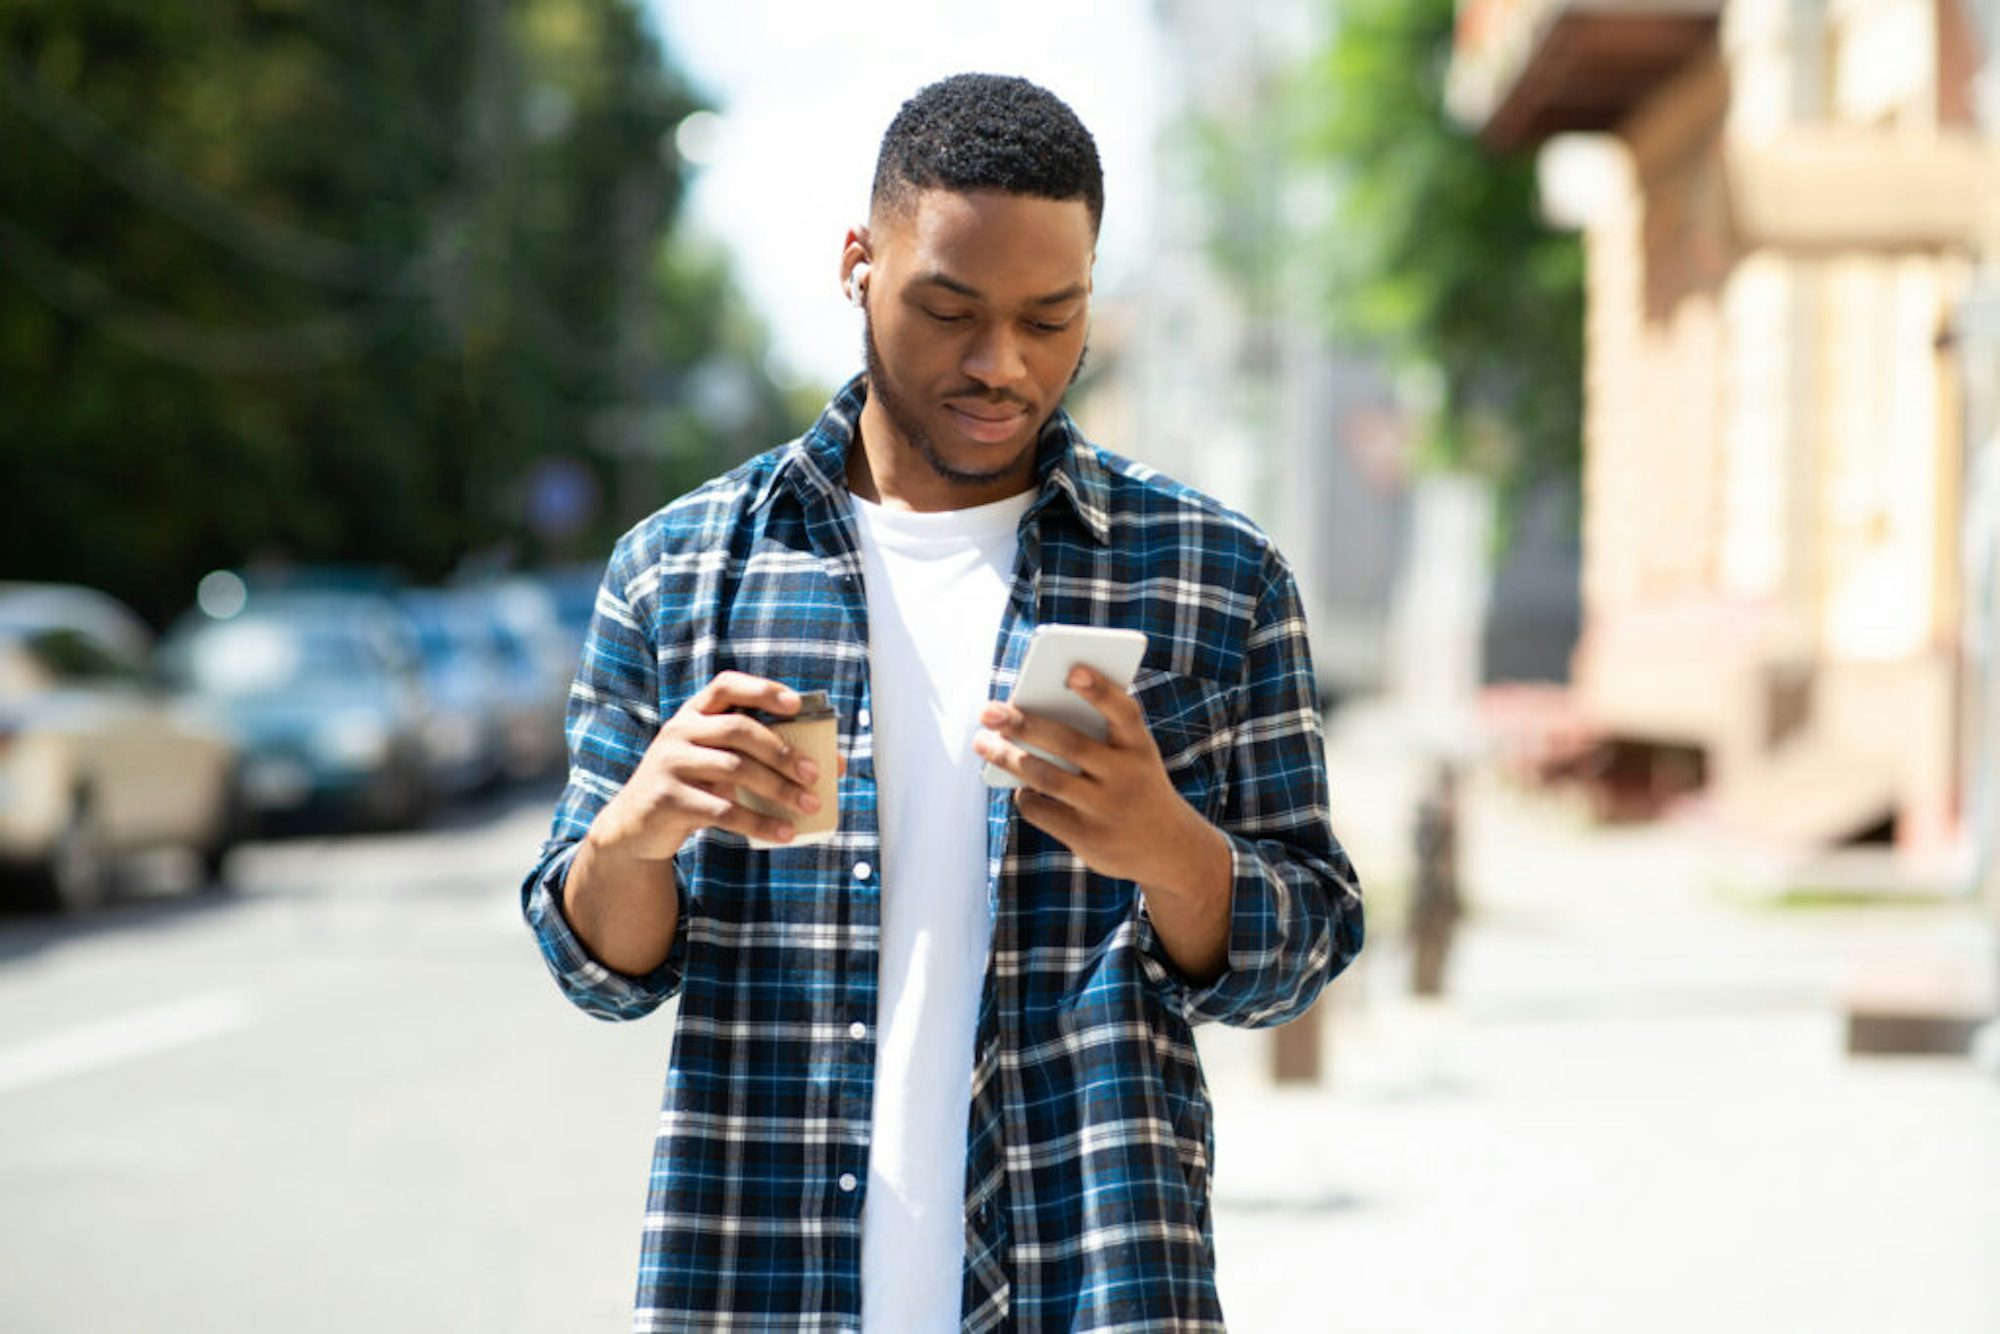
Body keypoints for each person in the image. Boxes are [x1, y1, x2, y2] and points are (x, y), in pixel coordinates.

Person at [523, 72, 1364, 1333]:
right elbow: (600, 970)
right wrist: (634, 830)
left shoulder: (1211, 576)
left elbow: (1302, 950)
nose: (1000, 364)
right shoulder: (683, 570)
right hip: (758, 1278)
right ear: (857, 262)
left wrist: (1169, 849)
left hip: (1093, 1277)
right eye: (949, 308)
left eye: (1051, 317)